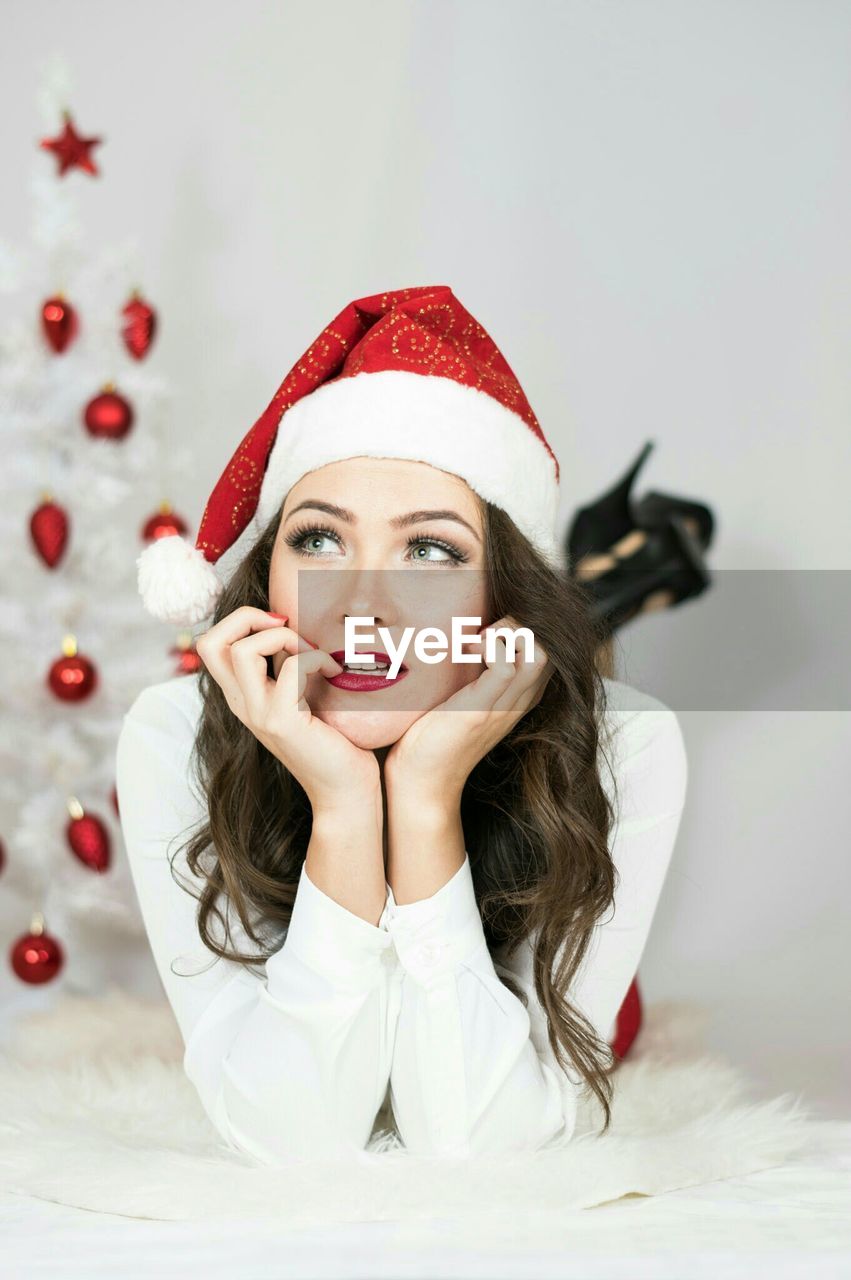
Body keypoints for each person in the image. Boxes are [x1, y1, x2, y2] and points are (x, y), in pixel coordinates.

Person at [116, 284, 688, 1164]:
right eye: (316, 541)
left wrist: (424, 799)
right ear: (265, 576)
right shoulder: (170, 734)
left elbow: (477, 1140)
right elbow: (291, 1138)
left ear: (501, 594)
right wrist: (344, 807)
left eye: (430, 550)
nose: (360, 606)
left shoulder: (628, 747)